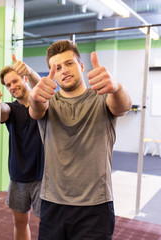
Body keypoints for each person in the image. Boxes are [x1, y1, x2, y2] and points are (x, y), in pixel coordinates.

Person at [29, 40, 132, 239]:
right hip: (53, 204)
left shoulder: (102, 98)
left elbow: (122, 106)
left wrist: (117, 87)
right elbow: (36, 110)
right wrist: (33, 98)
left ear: (81, 66)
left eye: (69, 63)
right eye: (56, 68)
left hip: (95, 206)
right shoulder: (48, 101)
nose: (63, 71)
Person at [0, 55, 44, 240]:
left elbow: (40, 88)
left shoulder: (43, 104)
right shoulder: (11, 109)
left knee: (46, 225)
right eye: (8, 85)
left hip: (44, 176)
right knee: (20, 223)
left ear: (25, 78)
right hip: (18, 177)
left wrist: (30, 70)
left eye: (15, 81)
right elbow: (3, 111)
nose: (12, 87)